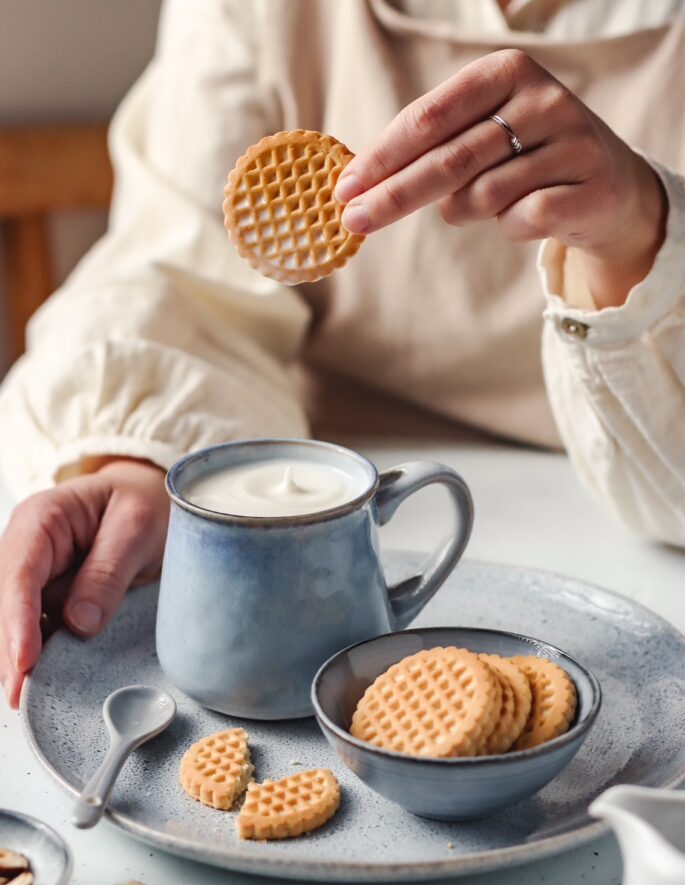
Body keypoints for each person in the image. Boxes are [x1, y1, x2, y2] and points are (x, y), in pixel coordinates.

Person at [1, 0, 684, 709]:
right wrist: (145, 460)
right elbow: (182, 268)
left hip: (635, 549)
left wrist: (642, 235)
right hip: (332, 534)